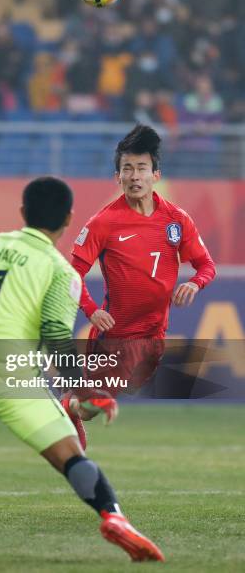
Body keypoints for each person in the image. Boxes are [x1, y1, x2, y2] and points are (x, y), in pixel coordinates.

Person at [0, 177, 164, 562]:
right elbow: (54, 333)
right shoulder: (61, 271)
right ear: (69, 219)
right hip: (12, 374)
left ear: (22, 213)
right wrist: (84, 389)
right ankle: (113, 516)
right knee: (70, 456)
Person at [68, 125, 216, 424]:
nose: (135, 176)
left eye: (141, 168)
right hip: (116, 337)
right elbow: (70, 273)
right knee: (88, 410)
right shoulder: (104, 222)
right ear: (117, 177)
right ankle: (63, 417)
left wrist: (195, 283)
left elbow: (206, 266)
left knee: (98, 403)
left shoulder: (176, 219)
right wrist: (91, 310)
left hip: (155, 335)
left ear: (155, 175)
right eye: (127, 169)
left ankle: (69, 405)